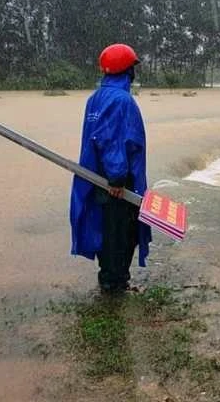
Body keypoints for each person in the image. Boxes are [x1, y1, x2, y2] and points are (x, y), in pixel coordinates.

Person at [70, 43, 152, 293]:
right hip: (117, 179)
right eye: (132, 68)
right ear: (128, 71)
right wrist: (117, 179)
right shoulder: (122, 101)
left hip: (96, 176)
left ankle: (109, 278)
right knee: (121, 232)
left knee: (105, 228)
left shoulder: (95, 98)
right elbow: (113, 140)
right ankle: (114, 284)